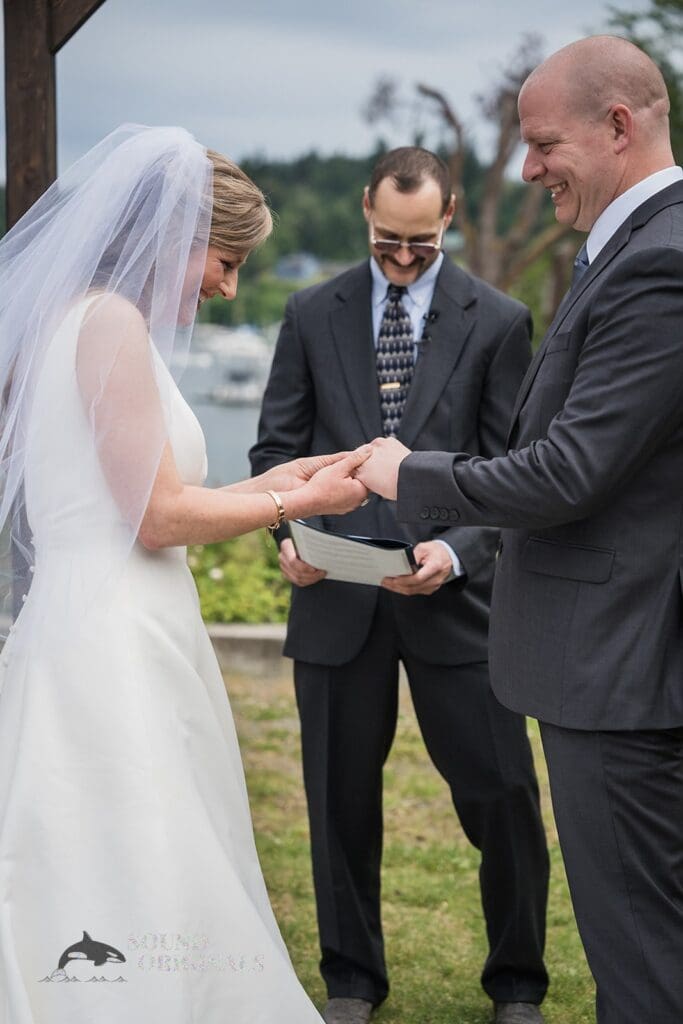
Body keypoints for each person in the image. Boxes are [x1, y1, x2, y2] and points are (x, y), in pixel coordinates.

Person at [0, 124, 369, 1024]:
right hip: (113, 634)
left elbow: (134, 492)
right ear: (174, 235)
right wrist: (300, 507)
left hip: (102, 614)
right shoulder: (112, 324)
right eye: (228, 259)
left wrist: (274, 481)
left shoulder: (71, 320)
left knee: (119, 843)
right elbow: (157, 517)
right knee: (136, 845)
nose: (227, 286)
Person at [357, 36, 683, 1024]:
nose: (527, 166)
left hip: (620, 671)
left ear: (618, 127)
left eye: (543, 143)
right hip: (616, 656)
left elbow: (569, 469)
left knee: (638, 952)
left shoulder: (658, 262)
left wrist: (401, 470)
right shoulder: (631, 247)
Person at [250, 147, 549, 1024]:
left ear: (448, 214)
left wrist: (454, 553)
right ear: (364, 211)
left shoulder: (498, 321)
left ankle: (518, 984)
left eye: (420, 241)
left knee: (499, 792)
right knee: (338, 796)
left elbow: (512, 470)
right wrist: (288, 536)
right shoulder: (309, 313)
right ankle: (350, 980)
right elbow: (274, 453)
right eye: (388, 241)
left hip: (454, 598)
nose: (404, 256)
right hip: (333, 594)